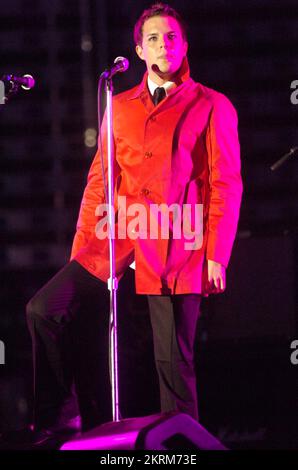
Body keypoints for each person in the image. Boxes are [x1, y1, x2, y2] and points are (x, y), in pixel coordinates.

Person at [1, 3, 242, 448]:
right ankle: (61, 421)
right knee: (46, 310)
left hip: (176, 241)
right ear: (138, 48)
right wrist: (83, 248)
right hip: (118, 236)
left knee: (172, 363)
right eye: (152, 37)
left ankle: (182, 449)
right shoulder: (119, 104)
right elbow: (100, 178)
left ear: (184, 45)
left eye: (171, 36)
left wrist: (215, 254)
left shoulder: (211, 104)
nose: (163, 45)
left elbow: (225, 184)